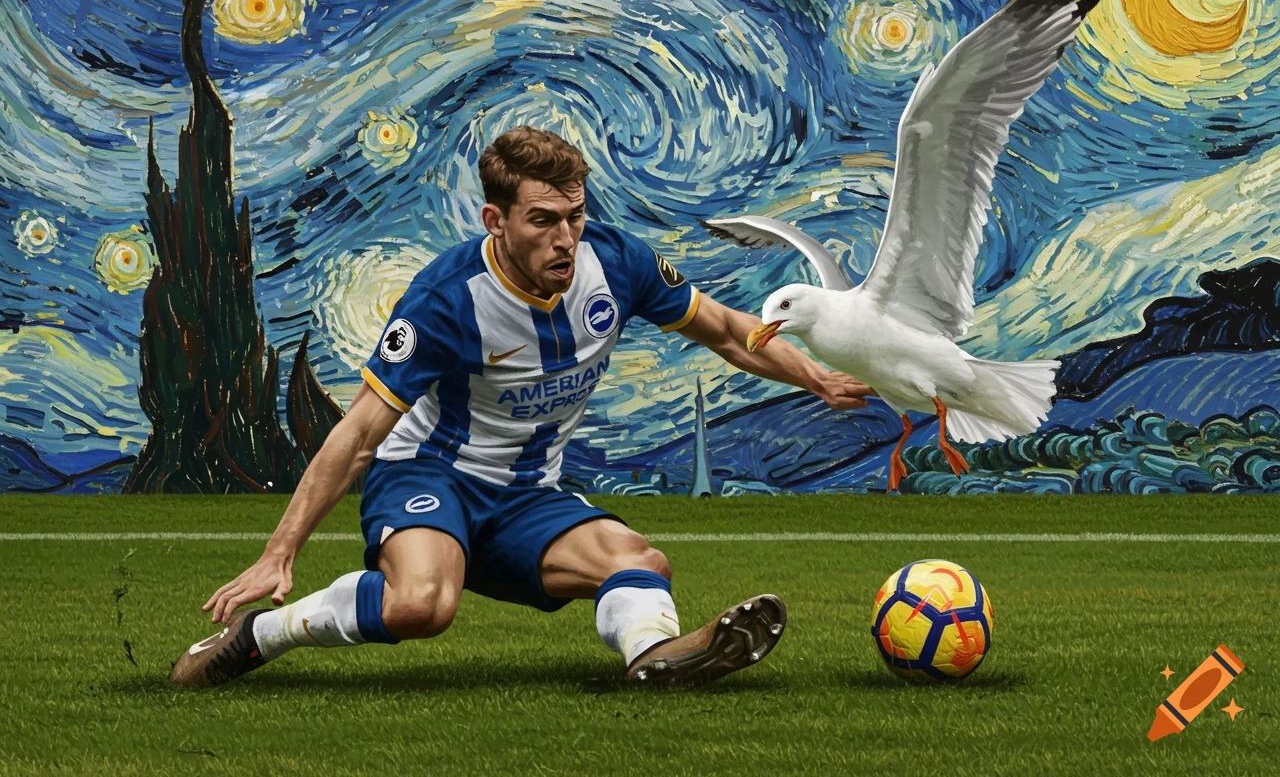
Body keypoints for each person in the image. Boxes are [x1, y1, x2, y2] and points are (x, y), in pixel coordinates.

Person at [169, 126, 875, 689]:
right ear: (495, 219)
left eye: (574, 217)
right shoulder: (446, 300)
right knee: (423, 605)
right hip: (428, 477)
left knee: (639, 562)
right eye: (542, 220)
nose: (564, 238)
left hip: (524, 492)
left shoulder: (617, 263)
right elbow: (356, 436)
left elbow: (726, 329)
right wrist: (277, 554)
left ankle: (655, 658)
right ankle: (260, 636)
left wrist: (813, 376)